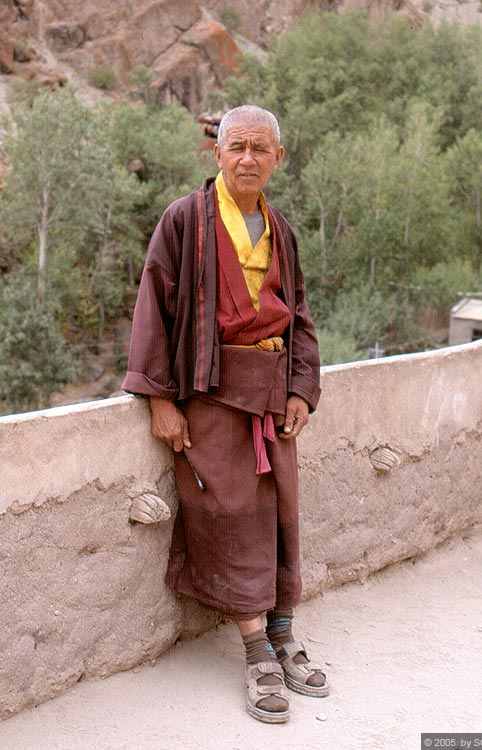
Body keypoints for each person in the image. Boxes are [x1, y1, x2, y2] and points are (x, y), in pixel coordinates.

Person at [122, 105, 328, 723]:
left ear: (278, 158)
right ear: (216, 153)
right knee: (228, 513)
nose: (247, 159)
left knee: (282, 512)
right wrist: (160, 398)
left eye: (260, 149)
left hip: (272, 397)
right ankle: (256, 648)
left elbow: (301, 315)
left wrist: (301, 387)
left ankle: (284, 630)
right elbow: (153, 304)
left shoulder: (281, 229)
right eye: (236, 146)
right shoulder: (184, 220)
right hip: (210, 393)